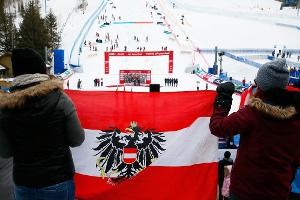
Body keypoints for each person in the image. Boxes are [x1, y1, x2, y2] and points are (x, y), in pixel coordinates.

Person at [0, 48, 85, 200]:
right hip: (58, 180)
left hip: (24, 183)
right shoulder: (61, 99)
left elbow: (5, 152)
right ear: (40, 71)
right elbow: (77, 139)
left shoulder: (6, 107)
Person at [210, 58, 300, 200]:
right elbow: (296, 159)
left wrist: (223, 100)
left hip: (244, 192)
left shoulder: (252, 114)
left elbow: (218, 128)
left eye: (256, 83)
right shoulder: (297, 117)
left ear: (262, 87)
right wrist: (285, 180)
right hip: (278, 192)